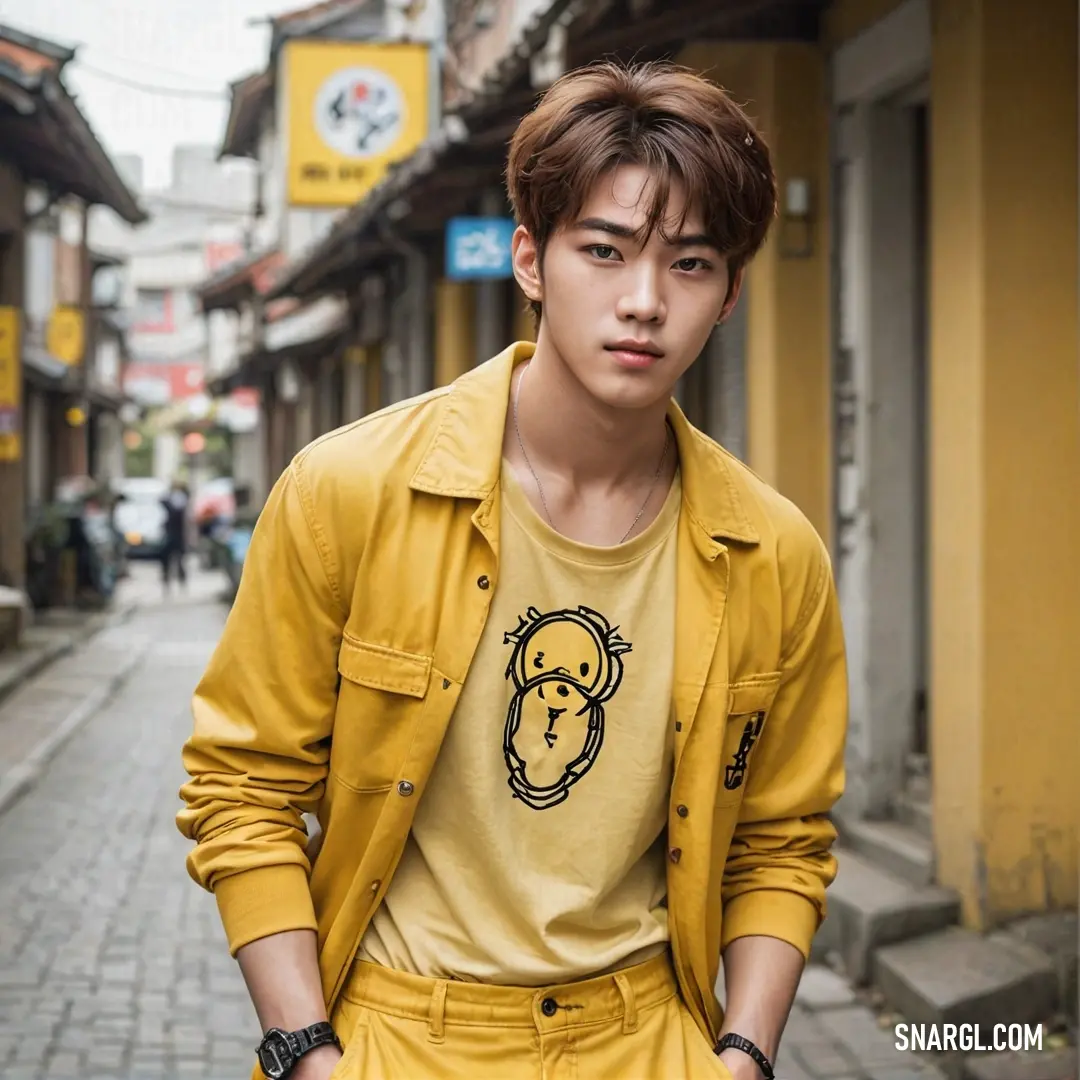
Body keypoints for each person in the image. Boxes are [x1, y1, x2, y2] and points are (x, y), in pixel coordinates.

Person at [178, 60, 848, 1080]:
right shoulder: (350, 491)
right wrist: (306, 1049)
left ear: (729, 294)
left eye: (690, 264)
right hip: (396, 1038)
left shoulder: (774, 552)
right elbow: (243, 786)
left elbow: (781, 838)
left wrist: (745, 1055)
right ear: (531, 259)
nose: (642, 301)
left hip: (648, 1039)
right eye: (604, 250)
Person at [160, 479, 189, 593]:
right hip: (171, 534)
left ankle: (180, 582)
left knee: (179, 560)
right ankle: (168, 581)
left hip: (177, 534)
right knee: (168, 560)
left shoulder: (182, 500)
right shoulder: (168, 500)